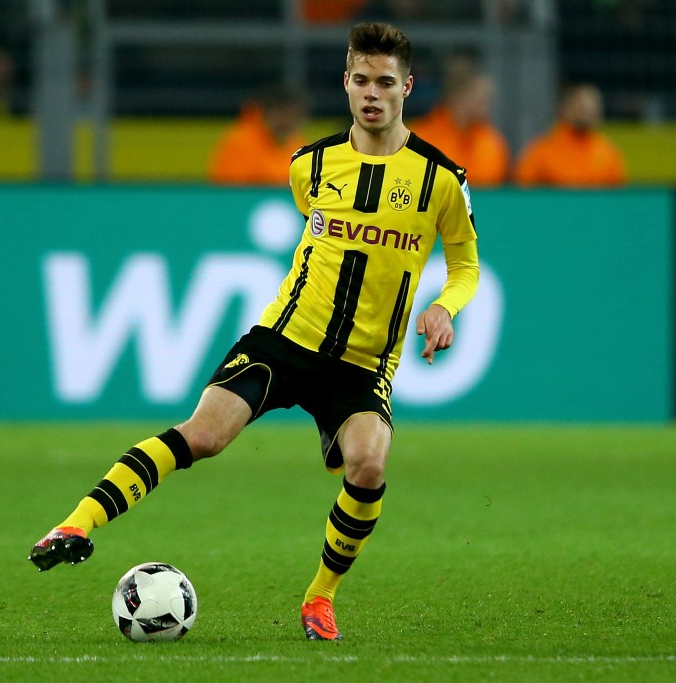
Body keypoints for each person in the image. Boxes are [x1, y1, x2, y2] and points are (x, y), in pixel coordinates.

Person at [28, 22, 480, 642]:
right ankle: (75, 524)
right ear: (345, 83)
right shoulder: (312, 165)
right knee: (205, 435)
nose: (371, 94)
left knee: (369, 464)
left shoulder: (441, 180)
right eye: (360, 80)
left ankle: (321, 598)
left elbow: (465, 265)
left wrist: (446, 307)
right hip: (284, 341)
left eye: (384, 82)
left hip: (363, 364)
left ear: (408, 86)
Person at [408, 60, 510, 187]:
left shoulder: (492, 141)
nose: (487, 106)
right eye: (481, 99)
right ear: (457, 96)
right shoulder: (419, 138)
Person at [513, 82, 626, 187]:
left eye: (592, 110)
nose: (586, 114)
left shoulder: (608, 153)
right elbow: (523, 194)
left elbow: (616, 197)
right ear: (564, 108)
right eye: (581, 108)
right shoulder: (541, 151)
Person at [207, 84, 308, 186]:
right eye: (281, 114)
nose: (287, 121)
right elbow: (227, 189)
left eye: (294, 116)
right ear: (265, 112)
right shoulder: (239, 142)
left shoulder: (298, 144)